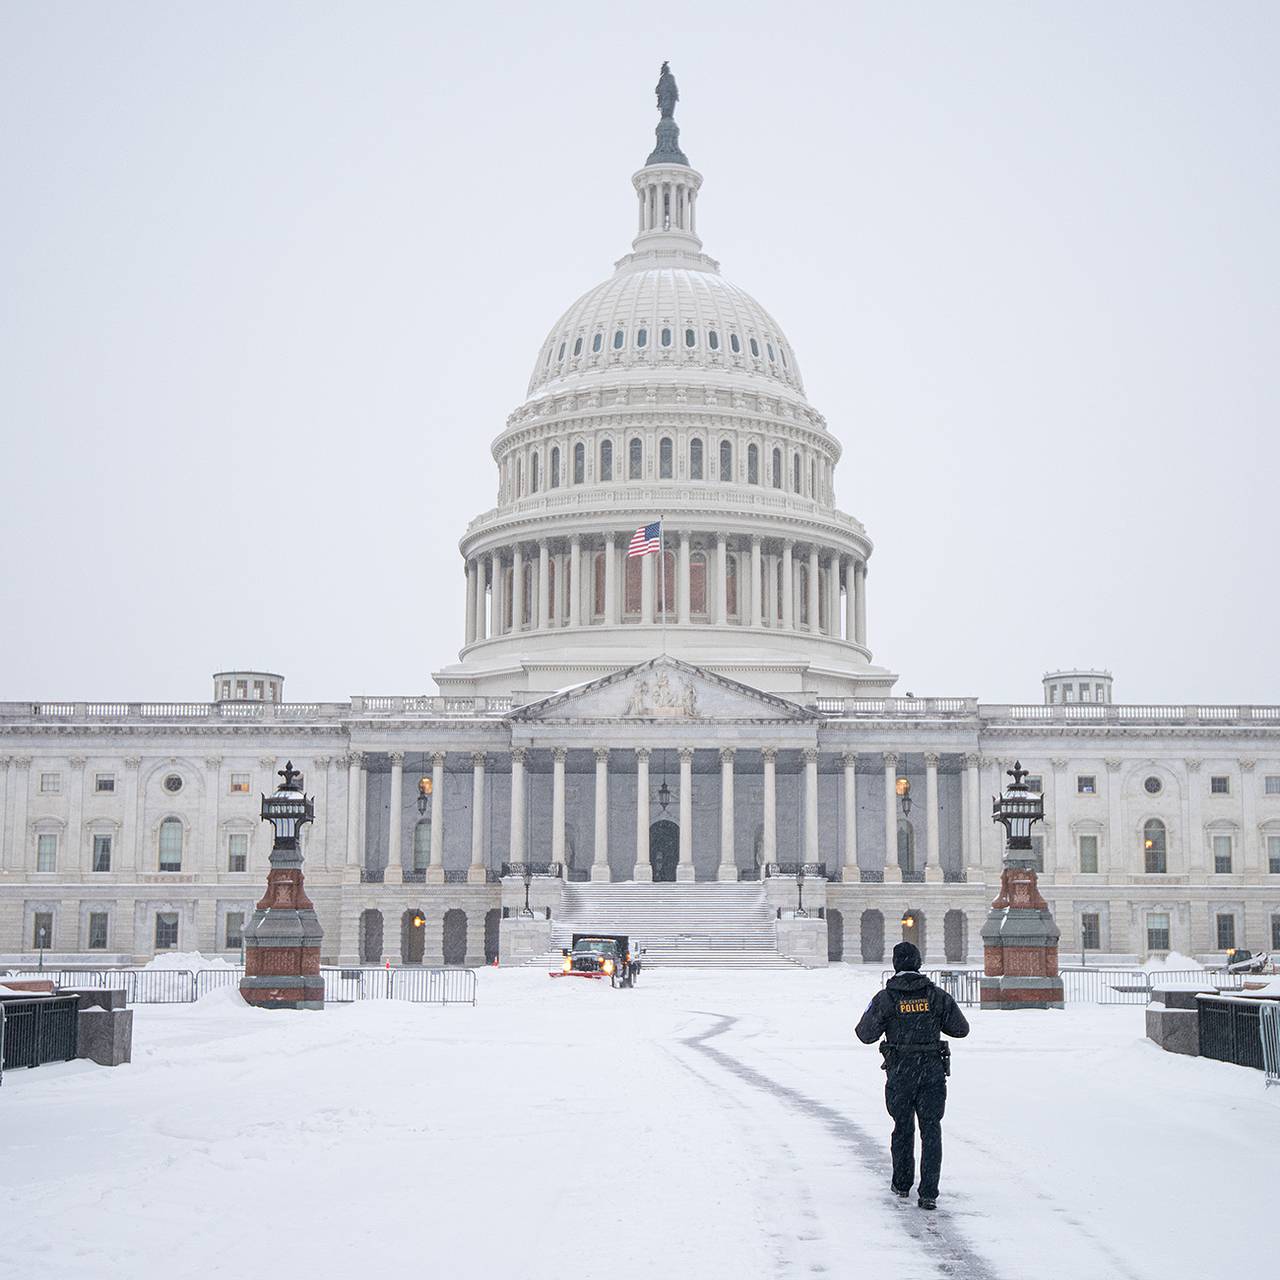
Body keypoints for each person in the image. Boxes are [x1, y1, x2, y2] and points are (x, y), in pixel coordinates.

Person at [855, 941, 969, 1210]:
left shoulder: (886, 998)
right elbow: (960, 1029)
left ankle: (902, 1183)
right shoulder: (936, 996)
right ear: (918, 964)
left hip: (900, 1072)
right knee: (931, 1130)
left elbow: (865, 1034)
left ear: (895, 965)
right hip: (931, 1071)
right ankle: (928, 1192)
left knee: (903, 1127)